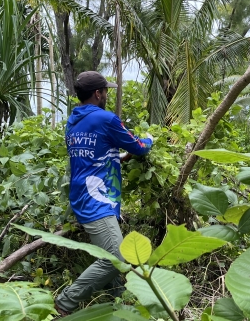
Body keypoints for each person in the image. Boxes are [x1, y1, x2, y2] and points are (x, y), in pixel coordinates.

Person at [54, 71, 153, 316]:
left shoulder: (73, 120)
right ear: (98, 94)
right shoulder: (106, 119)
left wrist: (118, 157)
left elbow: (89, 156)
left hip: (81, 195)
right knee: (116, 257)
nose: (107, 94)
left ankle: (118, 303)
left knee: (108, 253)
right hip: (97, 200)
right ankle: (65, 302)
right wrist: (149, 140)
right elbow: (139, 147)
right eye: (106, 90)